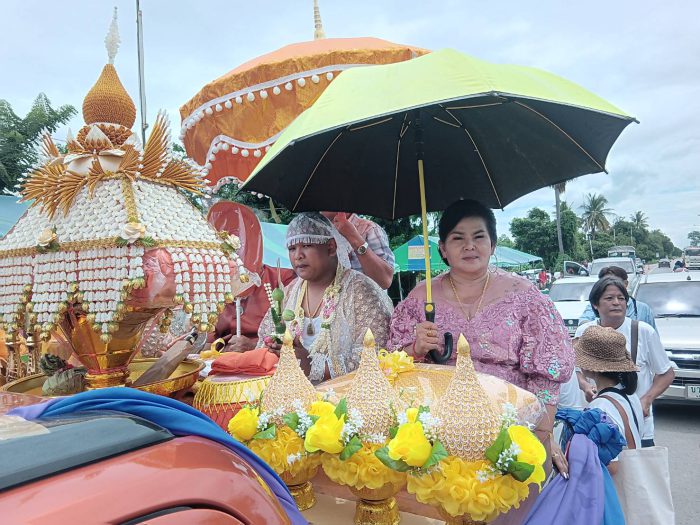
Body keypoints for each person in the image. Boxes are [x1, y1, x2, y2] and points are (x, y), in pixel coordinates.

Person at [388, 199, 575, 487]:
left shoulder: (525, 296)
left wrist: (541, 437)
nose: (469, 246)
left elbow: (546, 374)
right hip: (435, 433)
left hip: (509, 430)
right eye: (457, 238)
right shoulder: (419, 297)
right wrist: (414, 348)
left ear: (493, 244)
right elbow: (392, 366)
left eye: (478, 237)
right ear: (442, 249)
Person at [258, 212, 393, 383]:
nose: (298, 255)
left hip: (344, 399)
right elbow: (266, 337)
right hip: (290, 392)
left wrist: (313, 366)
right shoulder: (290, 292)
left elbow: (375, 353)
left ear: (330, 248)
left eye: (306, 245)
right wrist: (276, 347)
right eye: (292, 248)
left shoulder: (361, 290)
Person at [574, 277, 675, 447]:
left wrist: (646, 400)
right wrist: (585, 385)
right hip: (600, 423)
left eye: (621, 298)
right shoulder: (586, 331)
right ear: (595, 304)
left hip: (637, 425)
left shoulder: (643, 331)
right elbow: (576, 368)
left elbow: (666, 373)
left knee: (636, 469)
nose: (616, 303)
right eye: (609, 298)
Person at [575, 324, 644, 472]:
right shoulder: (631, 396)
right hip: (634, 475)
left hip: (615, 489)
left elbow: (612, 466)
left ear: (588, 367)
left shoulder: (600, 407)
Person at [321, 212, 395, 290]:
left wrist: (353, 238)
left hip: (365, 300)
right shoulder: (319, 232)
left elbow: (384, 280)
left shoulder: (369, 229)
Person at [579, 266, 657, 329]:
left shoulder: (643, 309)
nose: (616, 303)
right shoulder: (595, 305)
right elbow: (583, 322)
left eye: (614, 282)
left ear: (625, 284)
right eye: (605, 282)